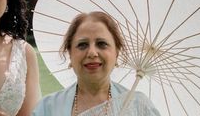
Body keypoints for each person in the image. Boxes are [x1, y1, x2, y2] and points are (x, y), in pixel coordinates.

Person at [32, 12, 160, 116]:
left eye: (101, 44)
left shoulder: (138, 106)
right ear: (70, 53)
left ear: (116, 52)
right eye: (82, 45)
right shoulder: (47, 108)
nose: (92, 53)